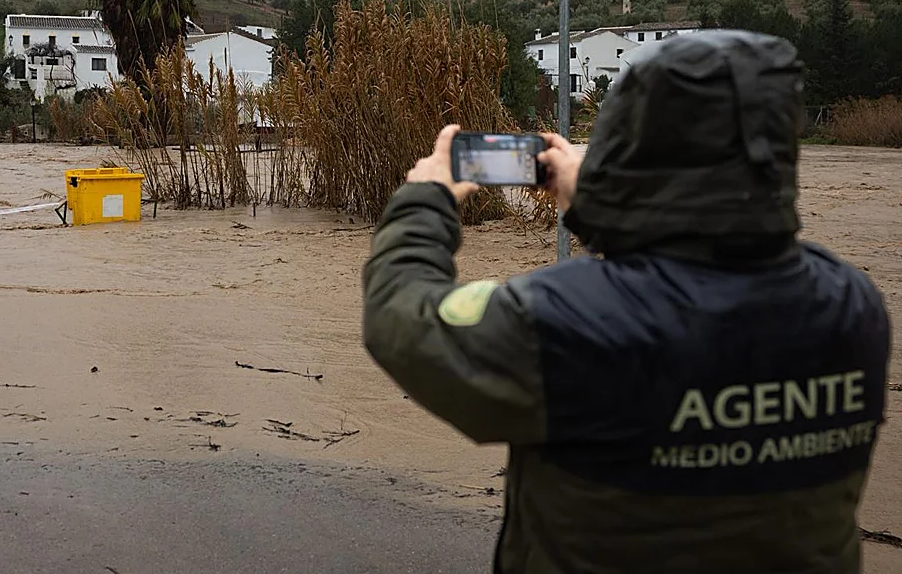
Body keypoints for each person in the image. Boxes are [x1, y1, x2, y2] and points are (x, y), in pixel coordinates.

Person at [362, 31, 890, 574]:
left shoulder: (563, 321)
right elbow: (699, 261)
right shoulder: (852, 306)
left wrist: (425, 198)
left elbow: (401, 316)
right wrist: (596, 205)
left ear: (627, 141)